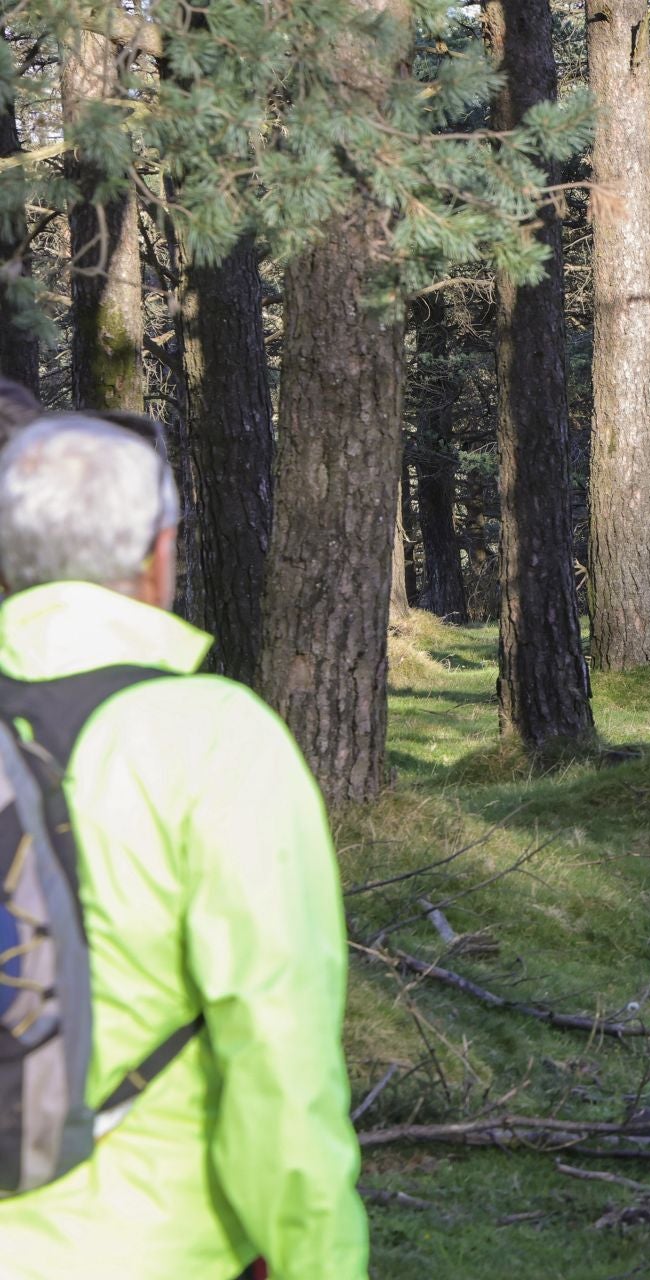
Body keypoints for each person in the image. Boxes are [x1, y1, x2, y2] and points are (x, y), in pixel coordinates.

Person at [0, 415, 368, 1278]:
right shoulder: (214, 739)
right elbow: (277, 1045)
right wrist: (317, 1259)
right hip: (153, 1245)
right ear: (159, 553)